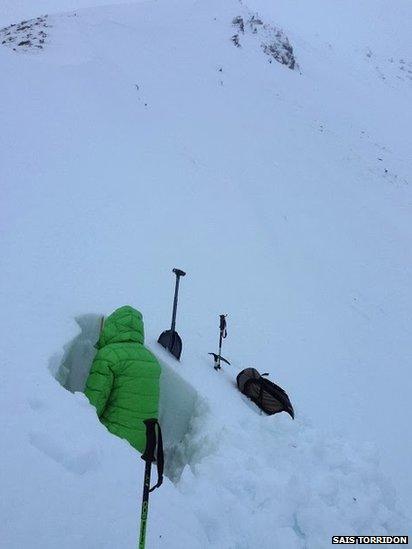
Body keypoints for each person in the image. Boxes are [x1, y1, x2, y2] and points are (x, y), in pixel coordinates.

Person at [85, 305, 161, 452]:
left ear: (111, 327)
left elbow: (92, 405)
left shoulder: (108, 355)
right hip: (145, 445)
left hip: (114, 441)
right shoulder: (151, 360)